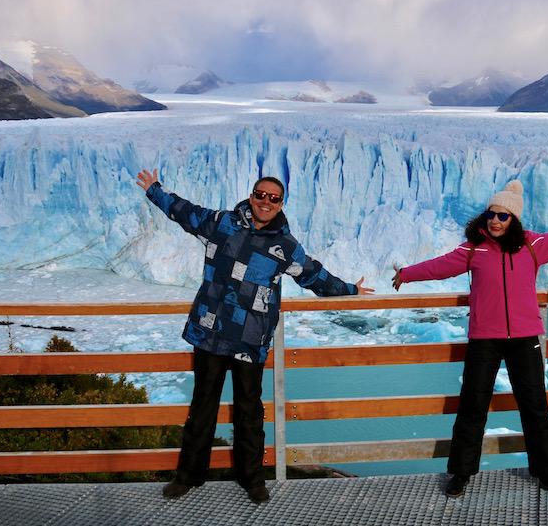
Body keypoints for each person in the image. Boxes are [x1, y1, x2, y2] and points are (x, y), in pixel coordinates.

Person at [392, 180, 548, 502]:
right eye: (491, 215)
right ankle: (461, 473)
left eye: (503, 216)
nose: (495, 221)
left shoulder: (533, 245)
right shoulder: (474, 249)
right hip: (485, 338)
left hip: (524, 338)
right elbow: (440, 267)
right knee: (472, 406)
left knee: (535, 407)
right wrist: (407, 274)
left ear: (514, 219)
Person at [136, 169, 373, 504]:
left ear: (281, 205)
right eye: (260, 195)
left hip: (250, 338)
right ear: (251, 196)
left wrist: (350, 290)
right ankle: (188, 476)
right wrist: (155, 190)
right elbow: (183, 211)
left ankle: (252, 479)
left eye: (273, 198)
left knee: (250, 410)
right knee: (203, 405)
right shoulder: (221, 223)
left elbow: (314, 276)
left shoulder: (285, 246)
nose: (265, 202)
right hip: (212, 331)